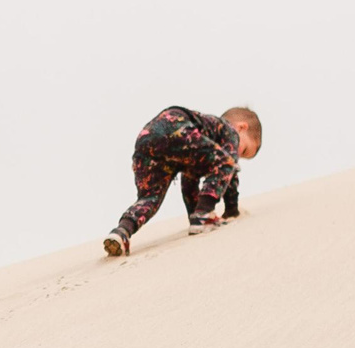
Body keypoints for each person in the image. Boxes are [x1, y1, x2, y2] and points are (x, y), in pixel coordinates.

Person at [102, 104, 263, 256]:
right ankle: (204, 215)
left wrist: (195, 215)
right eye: (244, 150)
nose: (238, 156)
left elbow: (189, 183)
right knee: (226, 162)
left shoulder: (198, 149)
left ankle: (122, 231)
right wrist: (231, 210)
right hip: (175, 125)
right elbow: (229, 168)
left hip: (147, 139)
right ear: (241, 127)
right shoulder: (228, 131)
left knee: (150, 197)